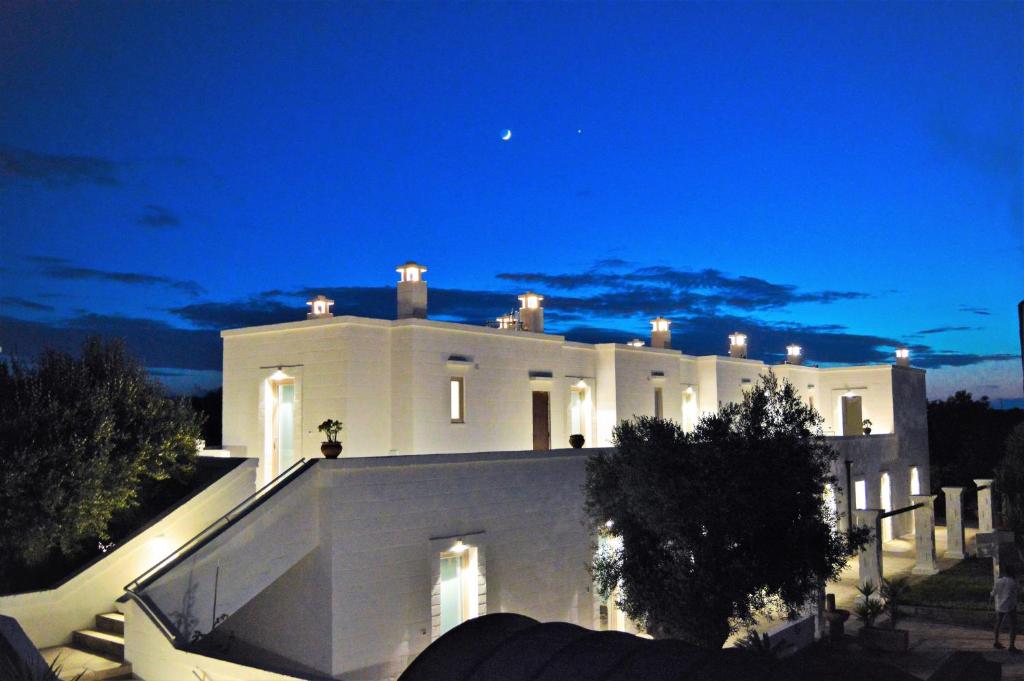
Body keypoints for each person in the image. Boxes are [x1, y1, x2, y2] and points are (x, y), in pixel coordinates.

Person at [993, 564, 1020, 651]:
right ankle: (1011, 646)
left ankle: (996, 642)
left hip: (1000, 605)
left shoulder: (999, 581)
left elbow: (994, 593)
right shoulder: (1013, 582)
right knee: (1013, 625)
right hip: (1010, 605)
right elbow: (1018, 591)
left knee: (998, 623)